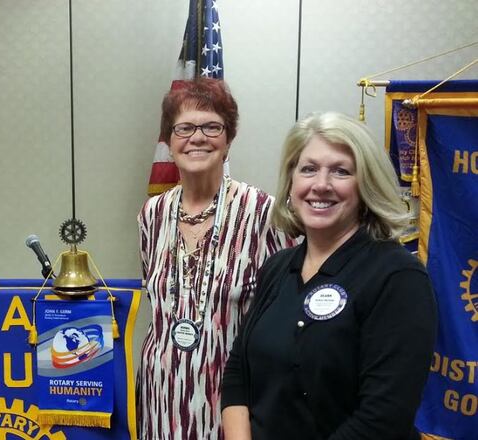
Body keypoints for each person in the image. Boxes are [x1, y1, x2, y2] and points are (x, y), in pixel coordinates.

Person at [221, 112, 437, 440]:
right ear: (291, 180)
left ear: (366, 185)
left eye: (340, 171)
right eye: (308, 169)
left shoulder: (398, 278)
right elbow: (238, 374)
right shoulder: (277, 268)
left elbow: (382, 419)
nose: (321, 185)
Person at [137, 78, 296, 439]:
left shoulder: (262, 212)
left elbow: (285, 314)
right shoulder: (152, 214)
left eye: (212, 126)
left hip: (232, 398)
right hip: (160, 395)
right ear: (169, 140)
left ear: (227, 140)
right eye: (184, 128)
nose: (197, 137)